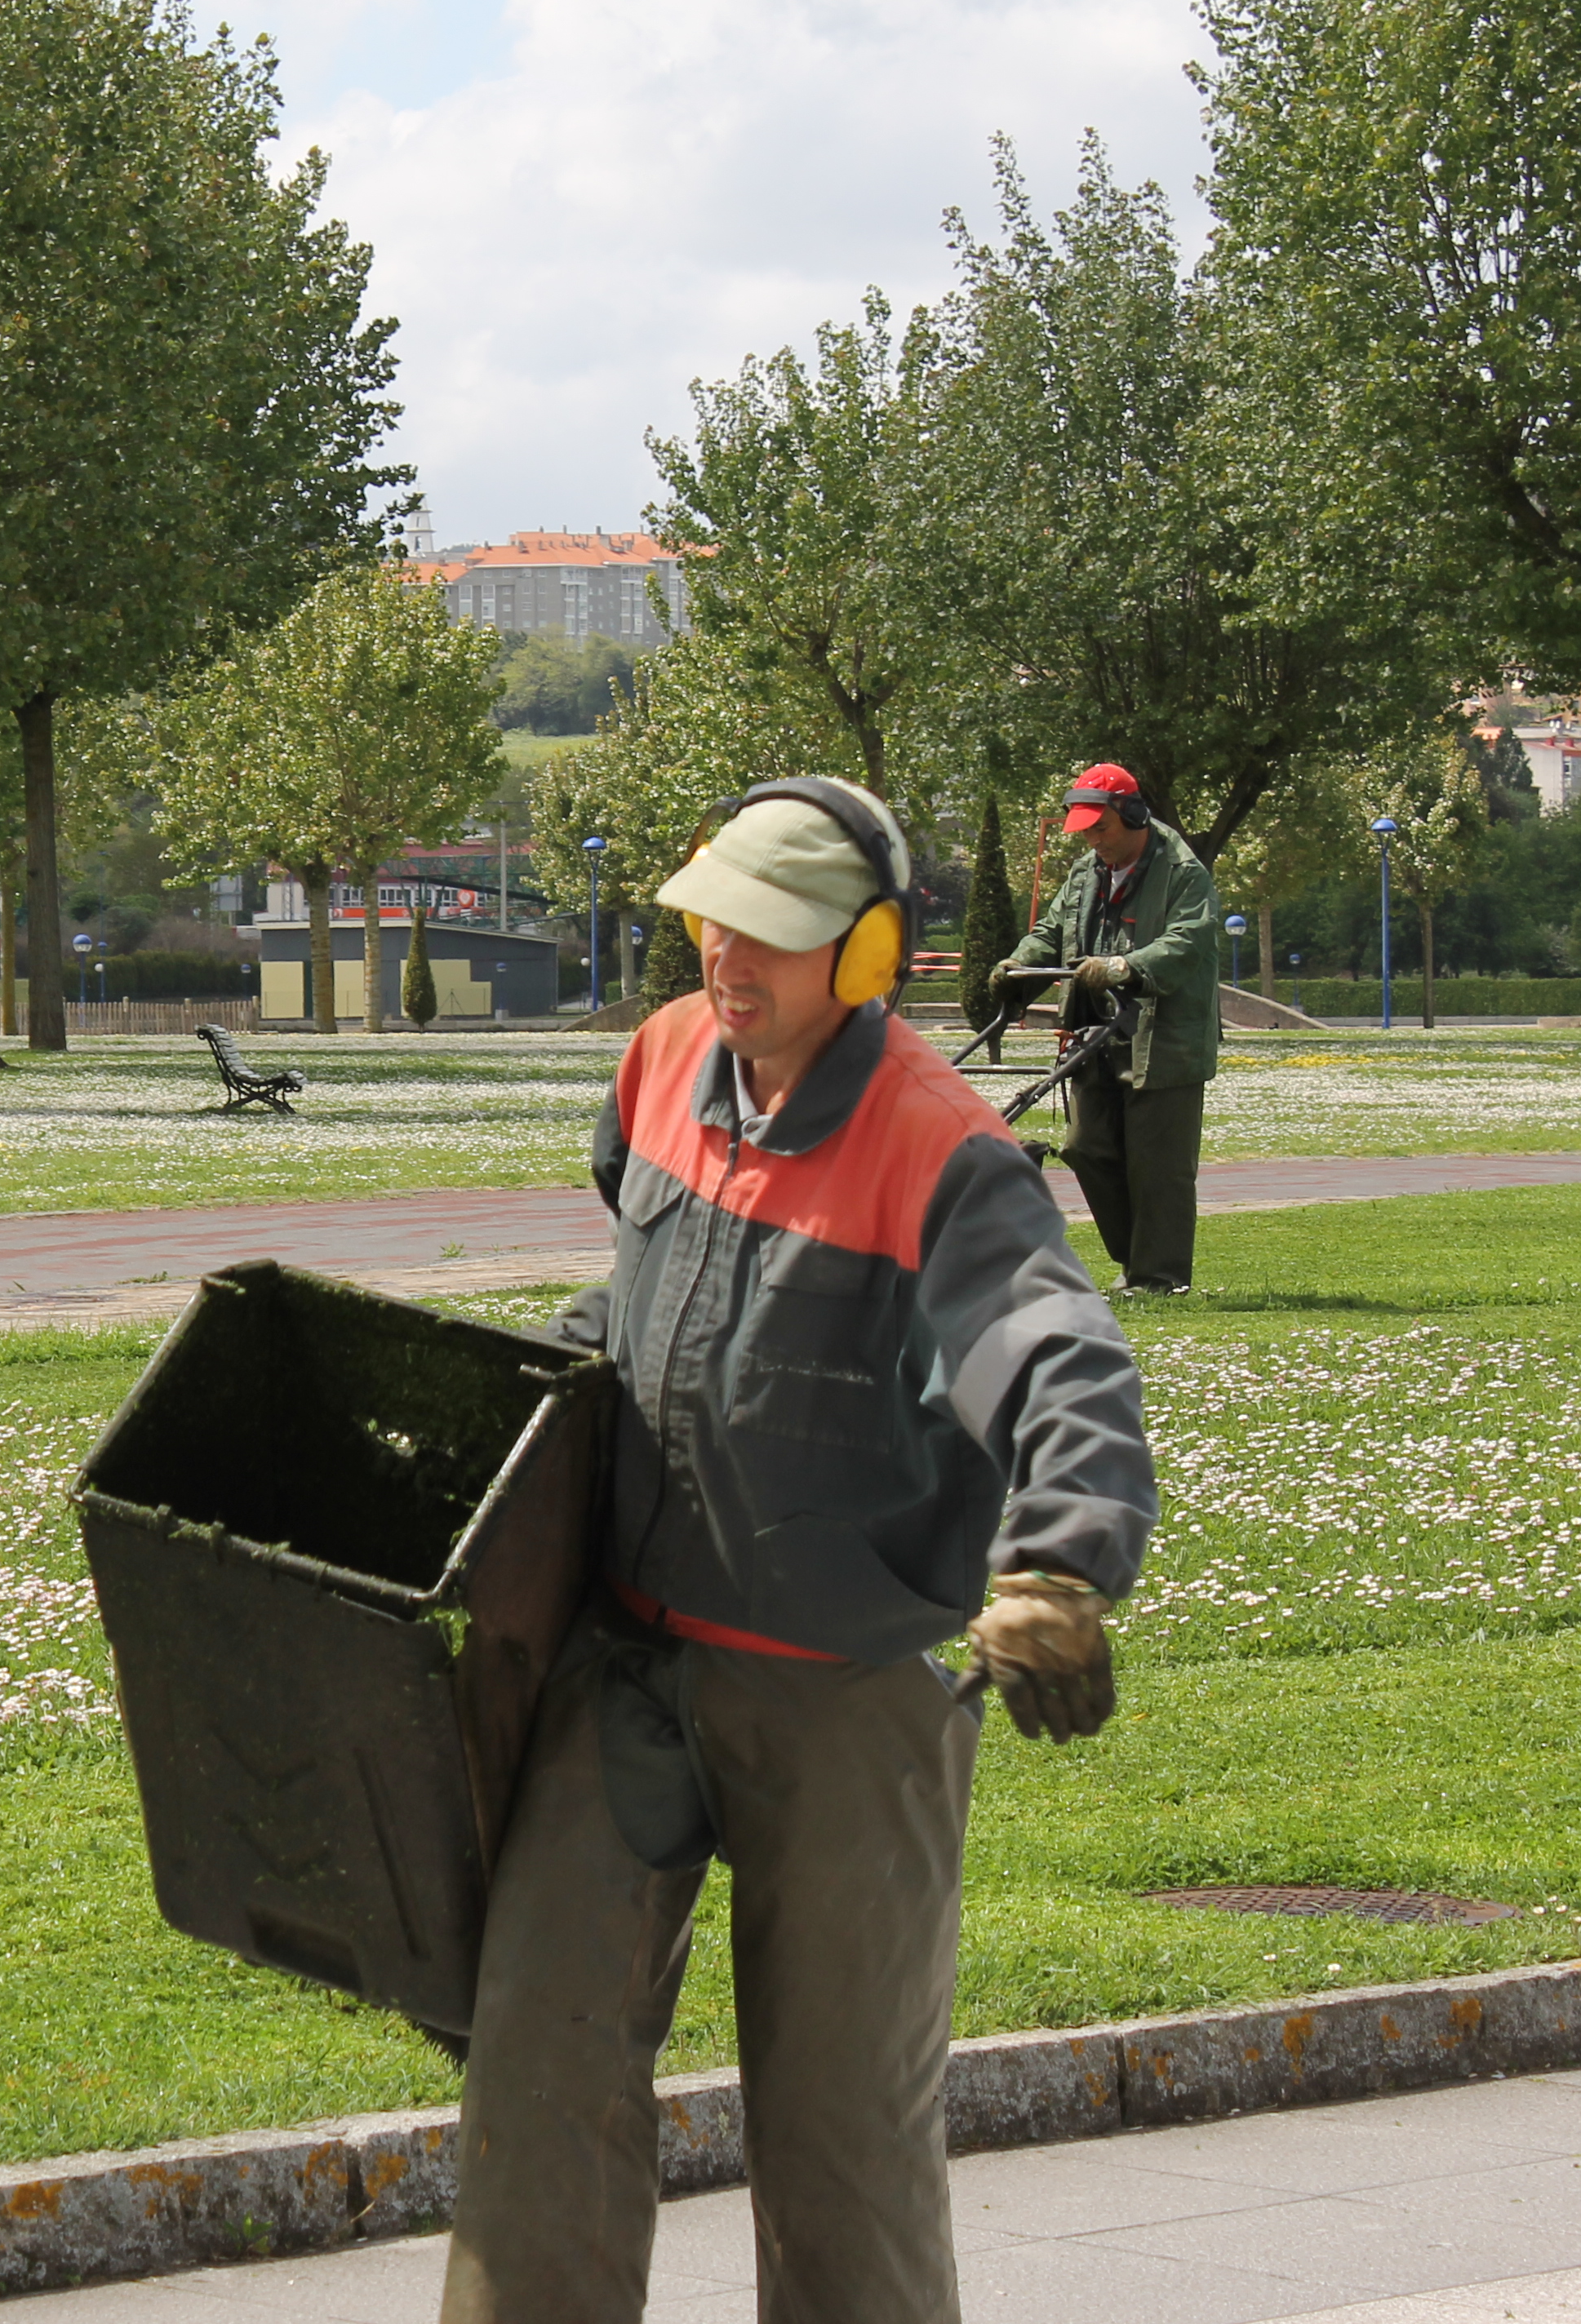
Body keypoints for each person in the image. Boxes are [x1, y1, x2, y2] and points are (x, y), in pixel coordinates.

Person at [443, 776, 1157, 2324]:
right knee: (535, 2064)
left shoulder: (939, 1149)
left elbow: (1058, 1354)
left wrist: (1060, 1559)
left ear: (869, 953)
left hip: (841, 1694)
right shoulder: (657, 1059)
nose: (728, 956)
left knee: (843, 2134)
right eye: (713, 921)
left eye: (769, 932)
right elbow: (643, 1289)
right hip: (627, 1661)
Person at [993, 763, 1222, 1295]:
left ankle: (1159, 1276)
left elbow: (1190, 938)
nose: (1095, 841)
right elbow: (1051, 931)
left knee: (1158, 1164)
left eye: (1102, 828)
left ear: (1134, 814)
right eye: (1087, 832)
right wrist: (1018, 966)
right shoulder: (1086, 872)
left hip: (1164, 1037)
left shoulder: (1182, 871)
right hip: (1096, 1032)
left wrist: (1126, 967)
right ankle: (1136, 1260)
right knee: (1086, 1147)